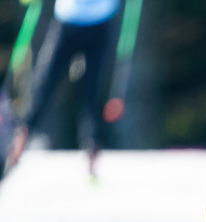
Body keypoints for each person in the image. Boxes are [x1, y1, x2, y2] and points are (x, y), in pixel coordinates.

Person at [8, 0, 122, 176]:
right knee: (45, 83)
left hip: (100, 22)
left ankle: (92, 149)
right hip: (68, 20)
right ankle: (21, 138)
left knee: (92, 91)